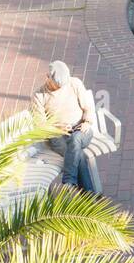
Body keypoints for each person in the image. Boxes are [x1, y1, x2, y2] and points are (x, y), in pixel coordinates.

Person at [32, 61, 102, 196]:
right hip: (58, 136)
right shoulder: (39, 96)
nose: (62, 87)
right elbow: (40, 125)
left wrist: (87, 121)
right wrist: (57, 127)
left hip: (81, 130)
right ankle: (90, 196)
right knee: (77, 154)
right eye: (58, 85)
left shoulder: (74, 83)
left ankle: (69, 181)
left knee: (75, 140)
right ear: (48, 77)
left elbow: (88, 107)